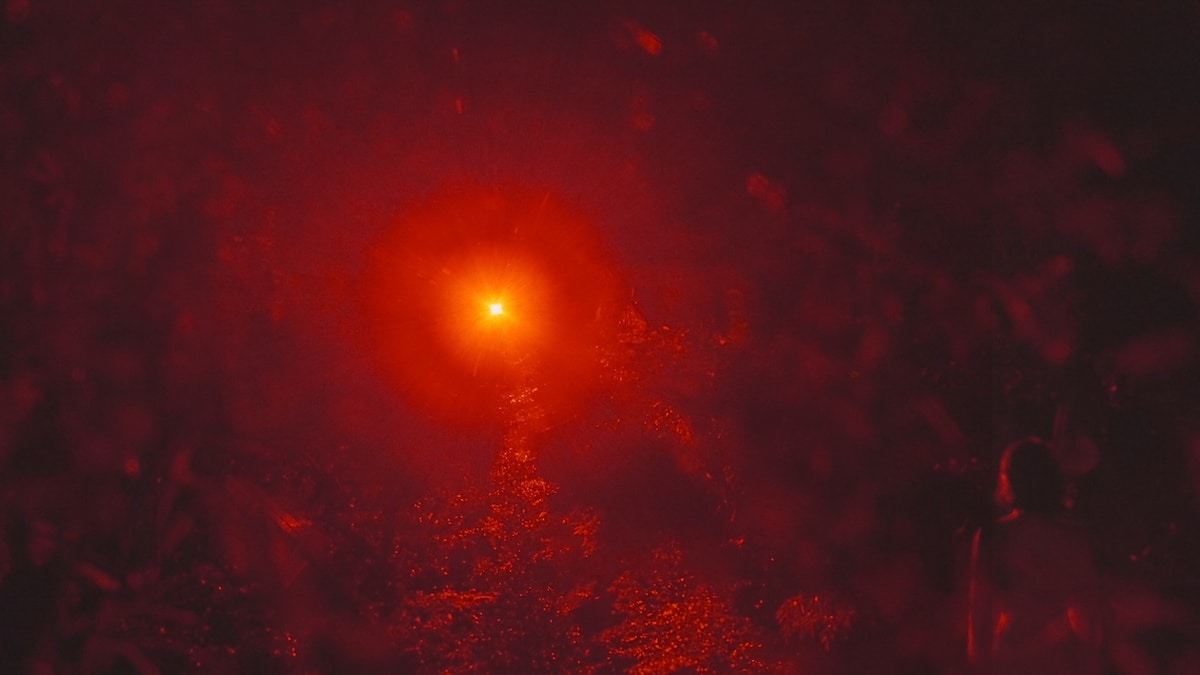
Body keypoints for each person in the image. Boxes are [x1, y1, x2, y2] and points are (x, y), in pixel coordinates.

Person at [966, 437, 1102, 674]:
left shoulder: (993, 536)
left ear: (1009, 479)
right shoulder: (1074, 539)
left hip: (1012, 656)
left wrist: (980, 664)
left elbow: (980, 616)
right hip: (1060, 658)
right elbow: (1089, 618)